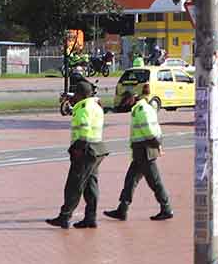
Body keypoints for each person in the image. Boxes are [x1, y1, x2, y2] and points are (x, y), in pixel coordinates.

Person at [104, 84, 173, 222]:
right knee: (130, 181)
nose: (125, 103)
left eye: (126, 100)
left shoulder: (141, 110)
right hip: (140, 152)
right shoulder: (142, 108)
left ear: (133, 98)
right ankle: (122, 209)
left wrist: (157, 145)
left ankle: (166, 208)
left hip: (145, 151)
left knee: (154, 182)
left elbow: (149, 131)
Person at [47, 81, 109, 229]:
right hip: (97, 148)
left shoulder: (83, 108)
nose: (74, 96)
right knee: (90, 185)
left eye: (76, 93)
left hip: (85, 150)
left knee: (74, 185)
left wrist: (77, 149)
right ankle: (90, 218)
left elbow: (84, 131)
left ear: (81, 94)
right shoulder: (96, 106)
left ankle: (65, 216)